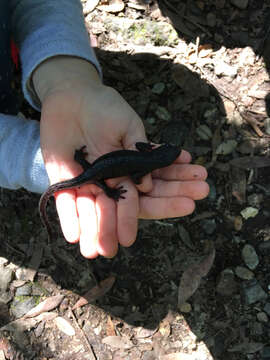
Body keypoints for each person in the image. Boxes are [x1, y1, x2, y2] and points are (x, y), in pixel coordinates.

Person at [0, 0, 209, 259]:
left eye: (166, 150)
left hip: (94, 170)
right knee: (92, 176)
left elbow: (137, 165)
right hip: (93, 171)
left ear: (159, 153)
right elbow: (135, 177)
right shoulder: (144, 166)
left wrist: (68, 80)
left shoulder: (144, 161)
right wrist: (109, 188)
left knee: (91, 174)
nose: (166, 151)